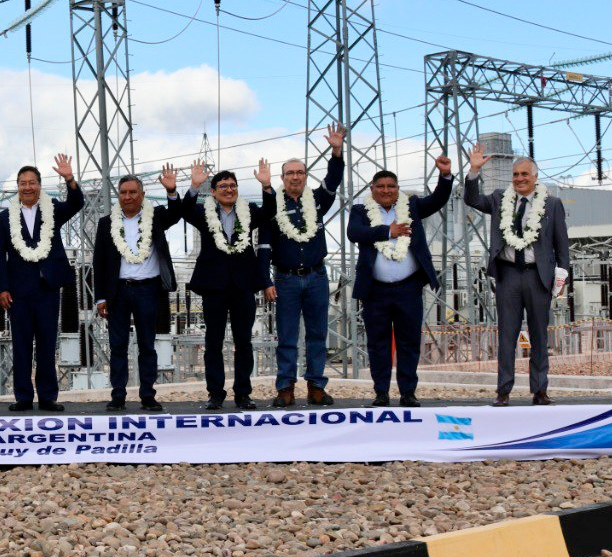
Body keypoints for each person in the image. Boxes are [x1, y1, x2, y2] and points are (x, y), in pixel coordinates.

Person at [465, 144, 570, 406]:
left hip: (539, 277)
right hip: (508, 275)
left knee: (539, 335)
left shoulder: (552, 204)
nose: (520, 179)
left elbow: (562, 245)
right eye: (515, 175)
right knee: (507, 335)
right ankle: (503, 391)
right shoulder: (501, 198)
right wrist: (474, 171)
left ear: (535, 177)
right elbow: (472, 200)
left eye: (524, 174)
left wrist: (563, 278)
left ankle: (540, 390)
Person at [347, 156, 453, 408]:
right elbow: (354, 233)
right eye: (380, 186)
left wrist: (446, 176)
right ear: (372, 189)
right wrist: (388, 231)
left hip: (408, 288)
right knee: (378, 344)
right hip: (375, 291)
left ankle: (408, 392)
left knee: (408, 342)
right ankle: (381, 393)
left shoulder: (412, 207)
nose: (386, 191)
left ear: (398, 189)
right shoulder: (361, 211)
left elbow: (438, 199)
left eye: (391, 186)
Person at [260, 123, 345, 407]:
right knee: (286, 336)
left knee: (318, 334)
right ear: (282, 178)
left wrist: (336, 151)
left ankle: (316, 386)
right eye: (289, 173)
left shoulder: (317, 200)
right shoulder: (272, 206)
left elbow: (333, 181)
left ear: (306, 177)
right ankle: (285, 387)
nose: (295, 177)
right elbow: (263, 246)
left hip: (316, 276)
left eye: (300, 172)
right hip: (284, 279)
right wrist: (265, 280)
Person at [182, 158, 276, 410]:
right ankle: (215, 393)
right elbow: (184, 210)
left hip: (243, 285)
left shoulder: (250, 211)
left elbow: (270, 212)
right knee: (213, 342)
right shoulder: (204, 213)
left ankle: (243, 393)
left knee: (243, 341)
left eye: (232, 185)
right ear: (212, 191)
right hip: (213, 286)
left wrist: (267, 186)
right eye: (222, 186)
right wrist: (193, 186)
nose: (228, 189)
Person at [0, 153, 83, 412]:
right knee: (21, 346)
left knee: (46, 344)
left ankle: (47, 396)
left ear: (40, 185)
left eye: (32, 182)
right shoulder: (4, 217)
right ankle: (22, 396)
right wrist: (2, 288)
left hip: (47, 288)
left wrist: (69, 179)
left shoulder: (52, 209)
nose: (28, 187)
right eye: (23, 183)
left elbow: (77, 203)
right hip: (18, 292)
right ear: (17, 187)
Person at [93, 166, 181, 412]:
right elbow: (99, 262)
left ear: (142, 195)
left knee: (147, 345)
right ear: (118, 196)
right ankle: (118, 395)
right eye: (123, 192)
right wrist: (100, 297)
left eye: (133, 192)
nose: (128, 196)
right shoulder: (106, 223)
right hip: (117, 292)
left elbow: (177, 212)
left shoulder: (155, 217)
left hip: (148, 289)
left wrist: (171, 190)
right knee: (117, 345)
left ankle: (148, 395)